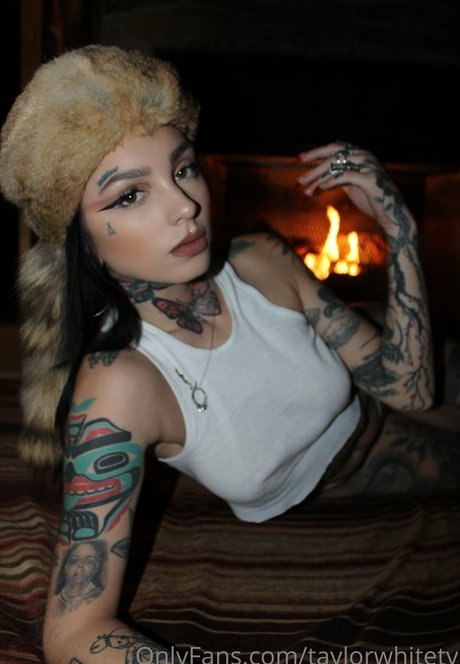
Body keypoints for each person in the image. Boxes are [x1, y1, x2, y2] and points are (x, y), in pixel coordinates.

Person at [0, 44, 458, 663]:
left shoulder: (258, 260)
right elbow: (73, 632)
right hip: (360, 465)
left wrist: (399, 228)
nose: (185, 205)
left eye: (183, 169)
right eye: (129, 196)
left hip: (383, 359)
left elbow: (411, 388)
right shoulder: (119, 384)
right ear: (81, 238)